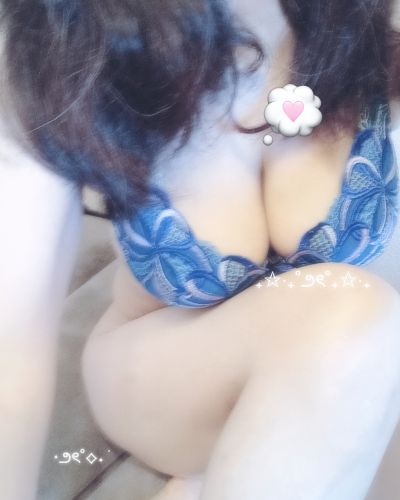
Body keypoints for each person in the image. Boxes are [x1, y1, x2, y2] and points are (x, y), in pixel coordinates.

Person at [1, 1, 400, 499]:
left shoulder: (360, 18)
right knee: (352, 314)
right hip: (165, 372)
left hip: (346, 363)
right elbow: (11, 354)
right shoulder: (59, 50)